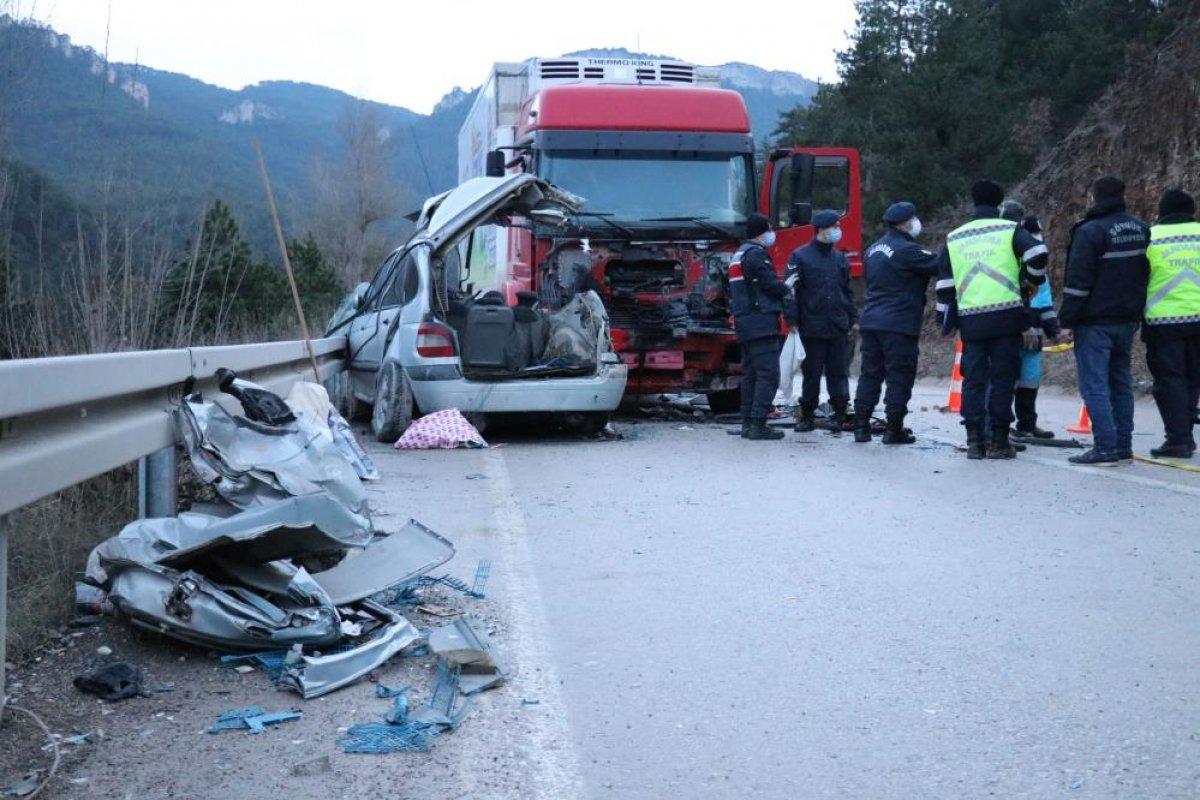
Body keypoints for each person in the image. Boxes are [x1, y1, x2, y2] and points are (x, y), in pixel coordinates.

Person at [937, 180, 1049, 459]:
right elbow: (1038, 253)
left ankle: (975, 441)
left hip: (971, 321)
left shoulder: (954, 237)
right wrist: (1029, 283)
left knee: (973, 380)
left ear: (973, 202)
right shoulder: (1010, 229)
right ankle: (999, 441)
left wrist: (944, 321)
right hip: (1006, 318)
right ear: (999, 205)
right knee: (1002, 379)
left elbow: (944, 285)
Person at [1060, 176, 1150, 466]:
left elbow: (1078, 283)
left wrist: (1067, 320)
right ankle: (1123, 446)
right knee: (1120, 383)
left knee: (1095, 385)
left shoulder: (1090, 232)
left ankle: (1105, 448)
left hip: (1095, 321)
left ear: (1094, 198)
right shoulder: (1141, 229)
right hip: (1127, 320)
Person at [853, 201, 940, 444]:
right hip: (898, 323)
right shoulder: (907, 250)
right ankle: (894, 429)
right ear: (905, 223)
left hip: (871, 321)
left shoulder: (873, 249)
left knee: (869, 375)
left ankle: (861, 427)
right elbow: (940, 265)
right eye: (913, 219)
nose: (916, 223)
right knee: (898, 376)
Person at [1142, 188, 1200, 459]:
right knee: (1192, 379)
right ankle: (1185, 436)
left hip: (1164, 322)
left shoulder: (1150, 238)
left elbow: (1137, 279)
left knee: (1169, 381)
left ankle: (1178, 438)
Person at [788, 210, 856, 433]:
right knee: (812, 375)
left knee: (839, 373)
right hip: (811, 326)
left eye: (838, 226)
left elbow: (847, 291)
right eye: (833, 226)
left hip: (837, 325)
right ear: (820, 229)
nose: (837, 230)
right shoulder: (800, 257)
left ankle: (839, 414)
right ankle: (807, 416)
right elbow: (791, 292)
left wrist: (852, 318)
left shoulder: (839, 258)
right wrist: (792, 321)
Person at [999, 201, 1062, 438]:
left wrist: (1054, 330)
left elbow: (1044, 301)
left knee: (1029, 379)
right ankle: (1001, 426)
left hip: (1032, 334)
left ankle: (1026, 423)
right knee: (1006, 378)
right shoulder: (1007, 257)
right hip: (1010, 327)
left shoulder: (1038, 267)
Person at [730, 212, 794, 440]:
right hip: (760, 322)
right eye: (769, 229)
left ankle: (748, 422)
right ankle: (758, 424)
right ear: (761, 232)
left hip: (744, 322)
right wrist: (787, 287)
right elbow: (769, 285)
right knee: (768, 375)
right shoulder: (756, 255)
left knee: (751, 375)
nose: (772, 234)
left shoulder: (739, 254)